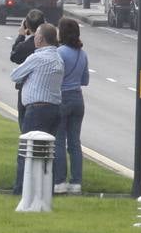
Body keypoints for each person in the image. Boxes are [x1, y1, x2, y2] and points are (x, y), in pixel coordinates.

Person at [10, 22, 63, 195]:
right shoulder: (58, 58)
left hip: (37, 109)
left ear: (39, 39)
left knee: (27, 151)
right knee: (48, 152)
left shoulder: (37, 57)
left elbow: (15, 75)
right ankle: (46, 190)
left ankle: (21, 190)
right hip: (54, 109)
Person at [53, 19, 88, 195]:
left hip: (62, 97)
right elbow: (85, 80)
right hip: (78, 98)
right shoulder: (82, 54)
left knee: (59, 140)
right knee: (75, 142)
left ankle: (59, 181)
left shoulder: (60, 52)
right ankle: (76, 182)